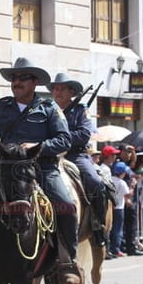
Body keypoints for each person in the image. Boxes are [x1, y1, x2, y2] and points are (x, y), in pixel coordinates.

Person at [0, 57, 81, 284]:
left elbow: (64, 139)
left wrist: (37, 147)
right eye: (14, 78)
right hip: (7, 171)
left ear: (34, 82)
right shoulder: (2, 107)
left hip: (43, 169)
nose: (16, 82)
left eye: (22, 78)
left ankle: (67, 261)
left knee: (67, 206)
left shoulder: (49, 108)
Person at [49, 72, 108, 247]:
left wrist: (62, 137)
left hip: (75, 155)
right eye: (55, 89)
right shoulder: (47, 110)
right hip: (50, 155)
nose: (57, 92)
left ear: (71, 92)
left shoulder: (81, 110)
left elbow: (84, 134)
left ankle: (98, 224)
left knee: (95, 181)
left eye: (62, 89)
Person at [109, 161, 130, 258]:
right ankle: (116, 249)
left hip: (110, 208)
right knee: (118, 229)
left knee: (110, 228)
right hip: (119, 208)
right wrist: (133, 187)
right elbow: (127, 195)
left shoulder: (110, 179)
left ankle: (110, 248)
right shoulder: (122, 183)